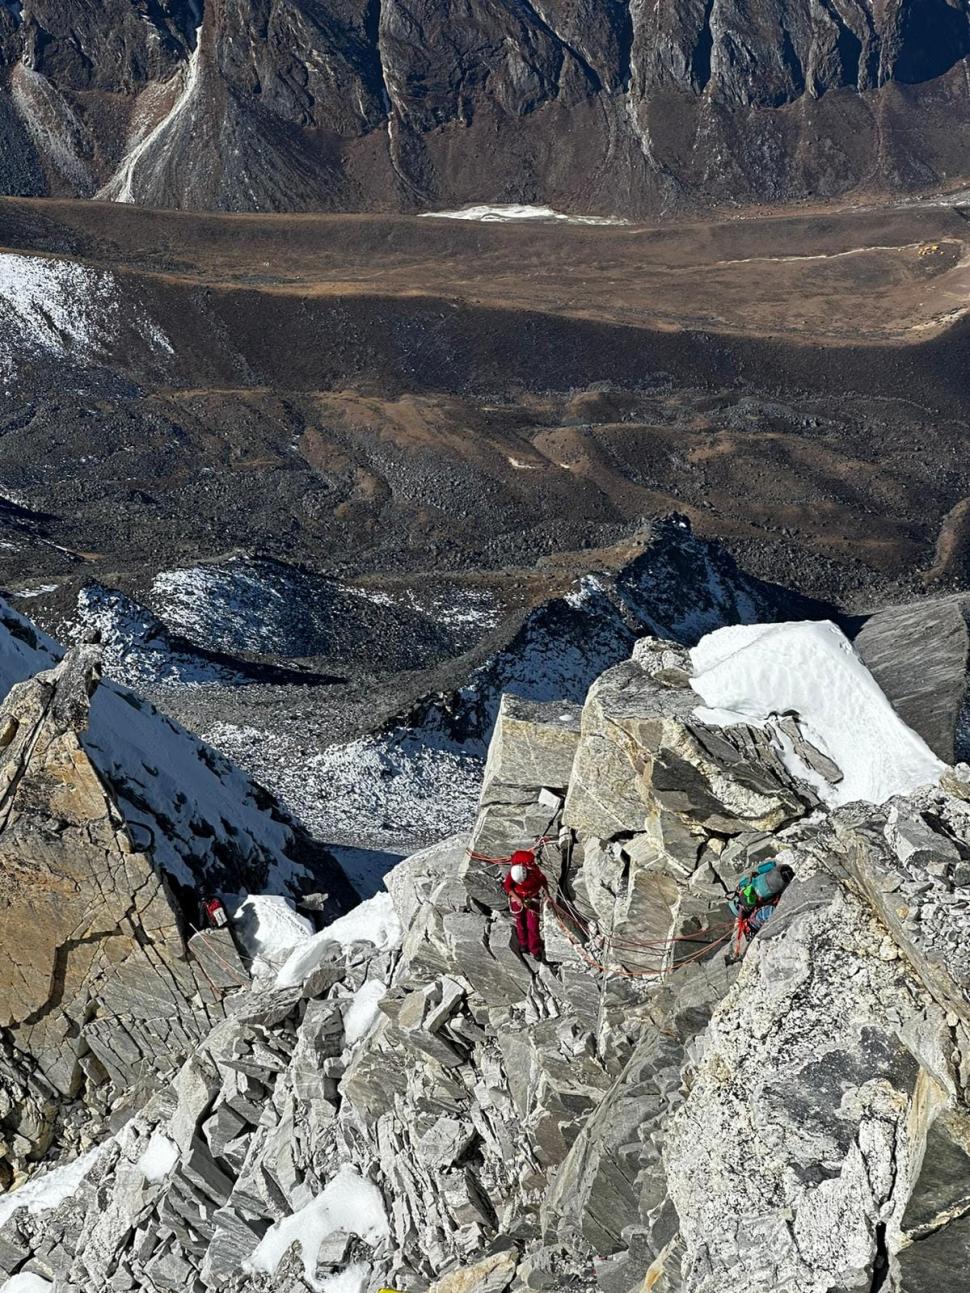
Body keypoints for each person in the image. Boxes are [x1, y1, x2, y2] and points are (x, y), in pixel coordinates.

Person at [502, 850, 547, 959]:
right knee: (520, 923)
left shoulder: (534, 872)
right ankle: (523, 944)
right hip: (518, 900)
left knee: (533, 925)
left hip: (532, 900)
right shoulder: (514, 872)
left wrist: (547, 894)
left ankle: (534, 949)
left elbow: (543, 881)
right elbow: (507, 886)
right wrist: (517, 898)